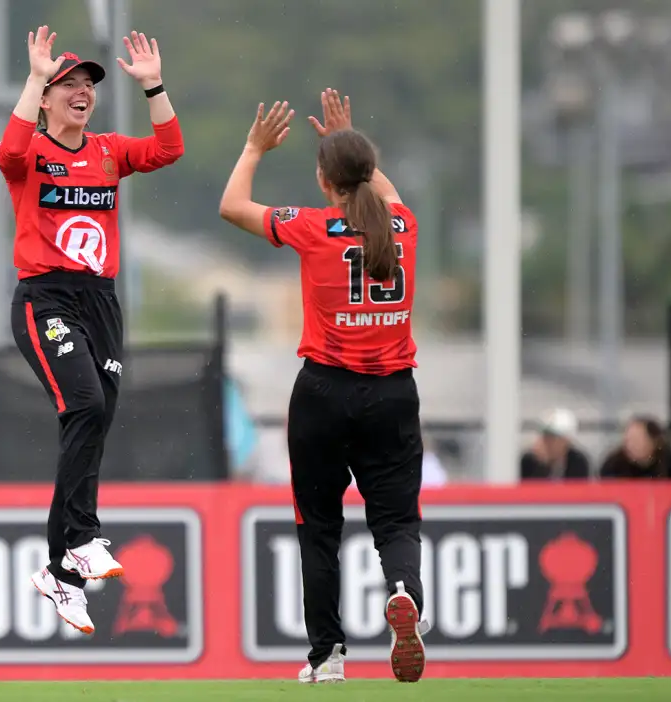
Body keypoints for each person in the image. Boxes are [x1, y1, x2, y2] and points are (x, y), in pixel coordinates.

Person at [219, 88, 429, 684]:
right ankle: (404, 592)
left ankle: (327, 656)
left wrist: (255, 147)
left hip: (322, 395)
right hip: (392, 394)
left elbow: (232, 206)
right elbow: (384, 194)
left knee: (319, 526)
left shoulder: (313, 228)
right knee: (396, 522)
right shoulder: (404, 225)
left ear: (322, 180)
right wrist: (347, 141)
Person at [0, 26, 183, 635]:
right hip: (45, 297)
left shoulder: (106, 150)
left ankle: (62, 573)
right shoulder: (33, 156)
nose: (81, 93)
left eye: (87, 86)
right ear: (47, 99)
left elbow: (168, 150)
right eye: (68, 85)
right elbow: (7, 154)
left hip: (101, 301)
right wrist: (33, 77)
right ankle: (82, 537)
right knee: (84, 402)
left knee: (93, 418)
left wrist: (153, 85)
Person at [599, 415, 671, 480]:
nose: (630, 445)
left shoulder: (668, 460)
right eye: (628, 440)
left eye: (636, 440)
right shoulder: (614, 463)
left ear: (653, 441)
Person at [520, 408, 591, 481]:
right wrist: (543, 465)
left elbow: (578, 490)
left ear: (566, 440)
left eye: (552, 437)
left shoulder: (578, 462)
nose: (547, 441)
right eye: (545, 436)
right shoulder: (529, 462)